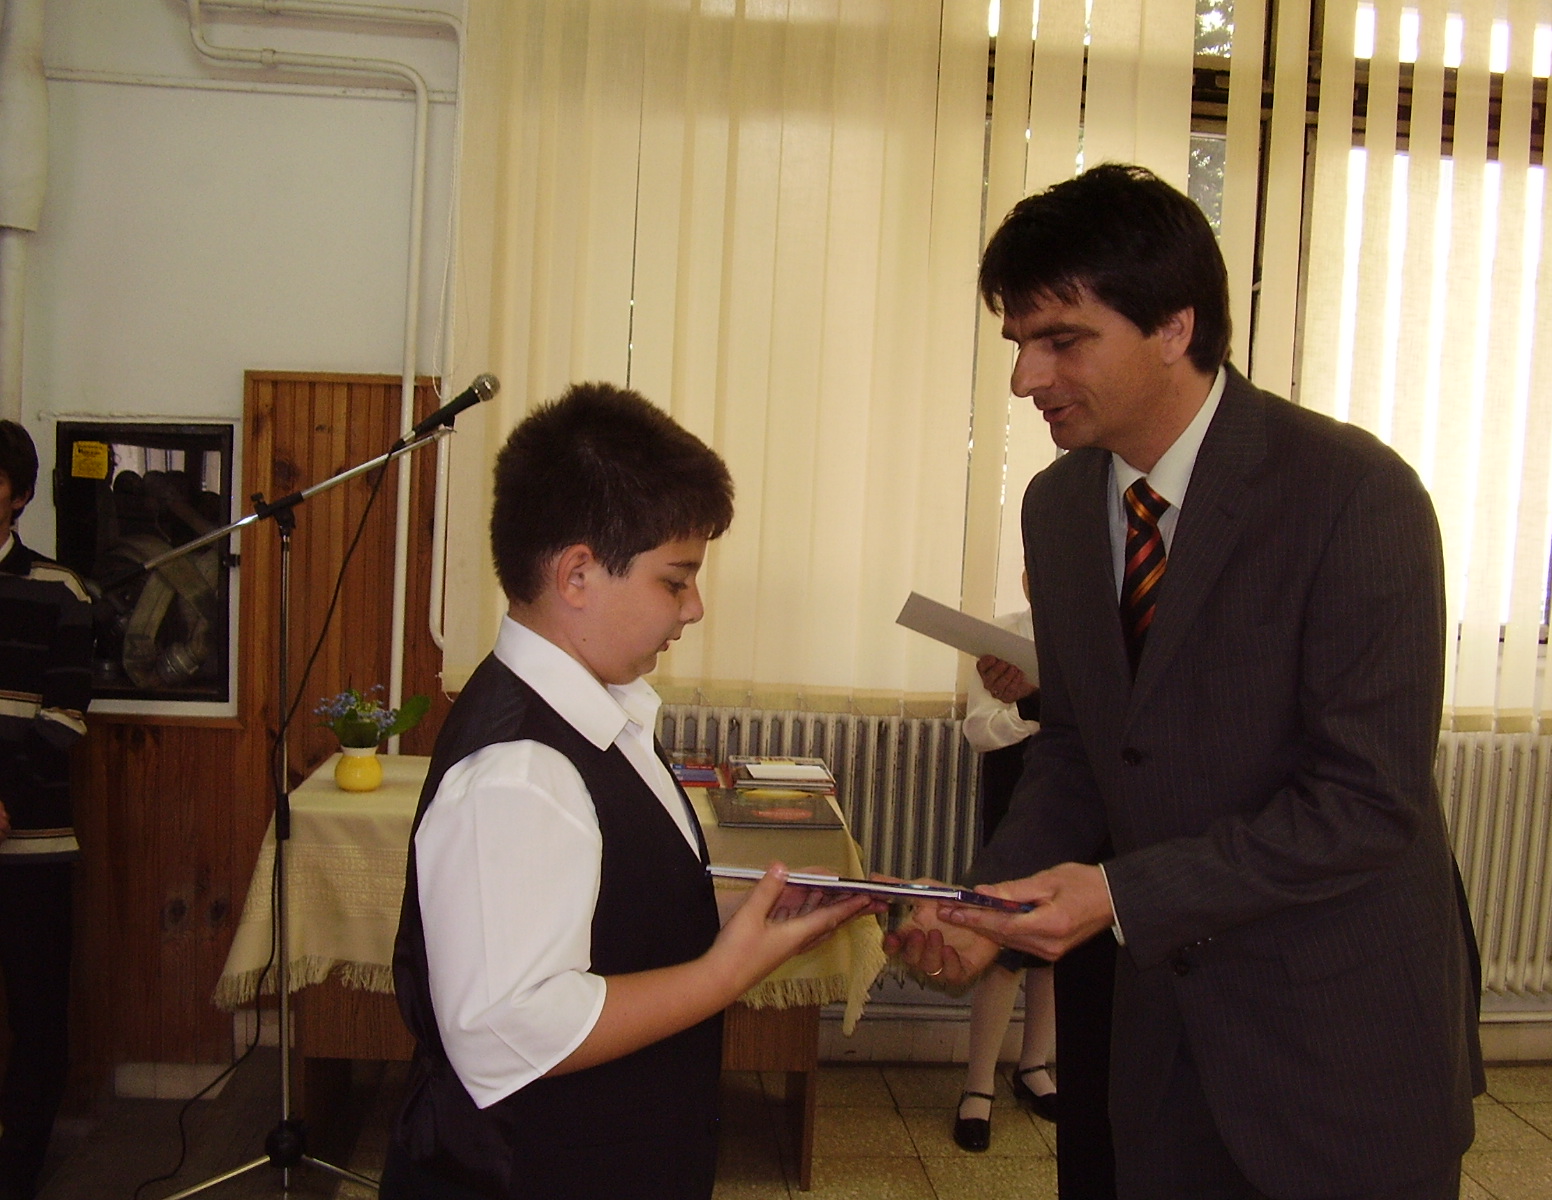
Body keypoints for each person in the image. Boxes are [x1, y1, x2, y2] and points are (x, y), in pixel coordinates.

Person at [887, 164, 1482, 1200]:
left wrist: (1119, 892)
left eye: (1061, 340)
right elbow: (1080, 747)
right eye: (1018, 343)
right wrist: (987, 905)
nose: (1025, 378)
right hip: (1160, 1038)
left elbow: (1364, 800)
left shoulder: (1353, 494)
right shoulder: (1059, 509)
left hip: (1337, 1039)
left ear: (1174, 326)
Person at [380, 382, 874, 1200]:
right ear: (578, 573)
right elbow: (505, 1033)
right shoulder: (521, 771)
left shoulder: (602, 713)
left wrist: (743, 916)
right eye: (675, 581)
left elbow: (604, 913)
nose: (695, 607)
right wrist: (722, 975)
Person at [0, 420, 94, 1200]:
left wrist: (2, 799)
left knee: (38, 1019)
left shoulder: (60, 589)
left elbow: (63, 719)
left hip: (31, 844)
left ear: (21, 496)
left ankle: (17, 1173)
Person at [952, 597, 1061, 1153]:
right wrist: (1031, 708)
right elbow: (980, 732)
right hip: (1015, 801)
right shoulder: (1000, 636)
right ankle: (978, 1088)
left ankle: (1034, 1066)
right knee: (1001, 943)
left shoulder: (1092, 629)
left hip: (1075, 802)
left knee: (1055, 944)